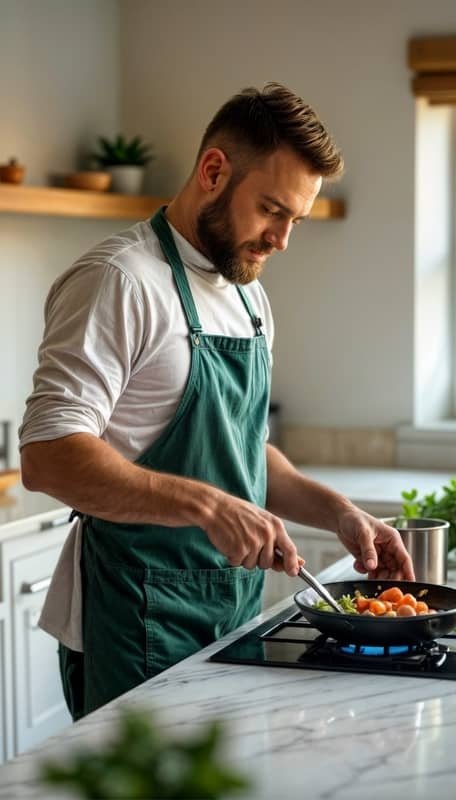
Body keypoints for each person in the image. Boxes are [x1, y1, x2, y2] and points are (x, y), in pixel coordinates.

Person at [19, 82, 414, 721]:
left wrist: (342, 515)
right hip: (136, 615)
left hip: (231, 610)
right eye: (271, 210)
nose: (282, 239)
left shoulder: (246, 295)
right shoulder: (119, 281)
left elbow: (241, 449)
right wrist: (206, 506)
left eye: (296, 220)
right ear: (212, 171)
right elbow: (47, 455)